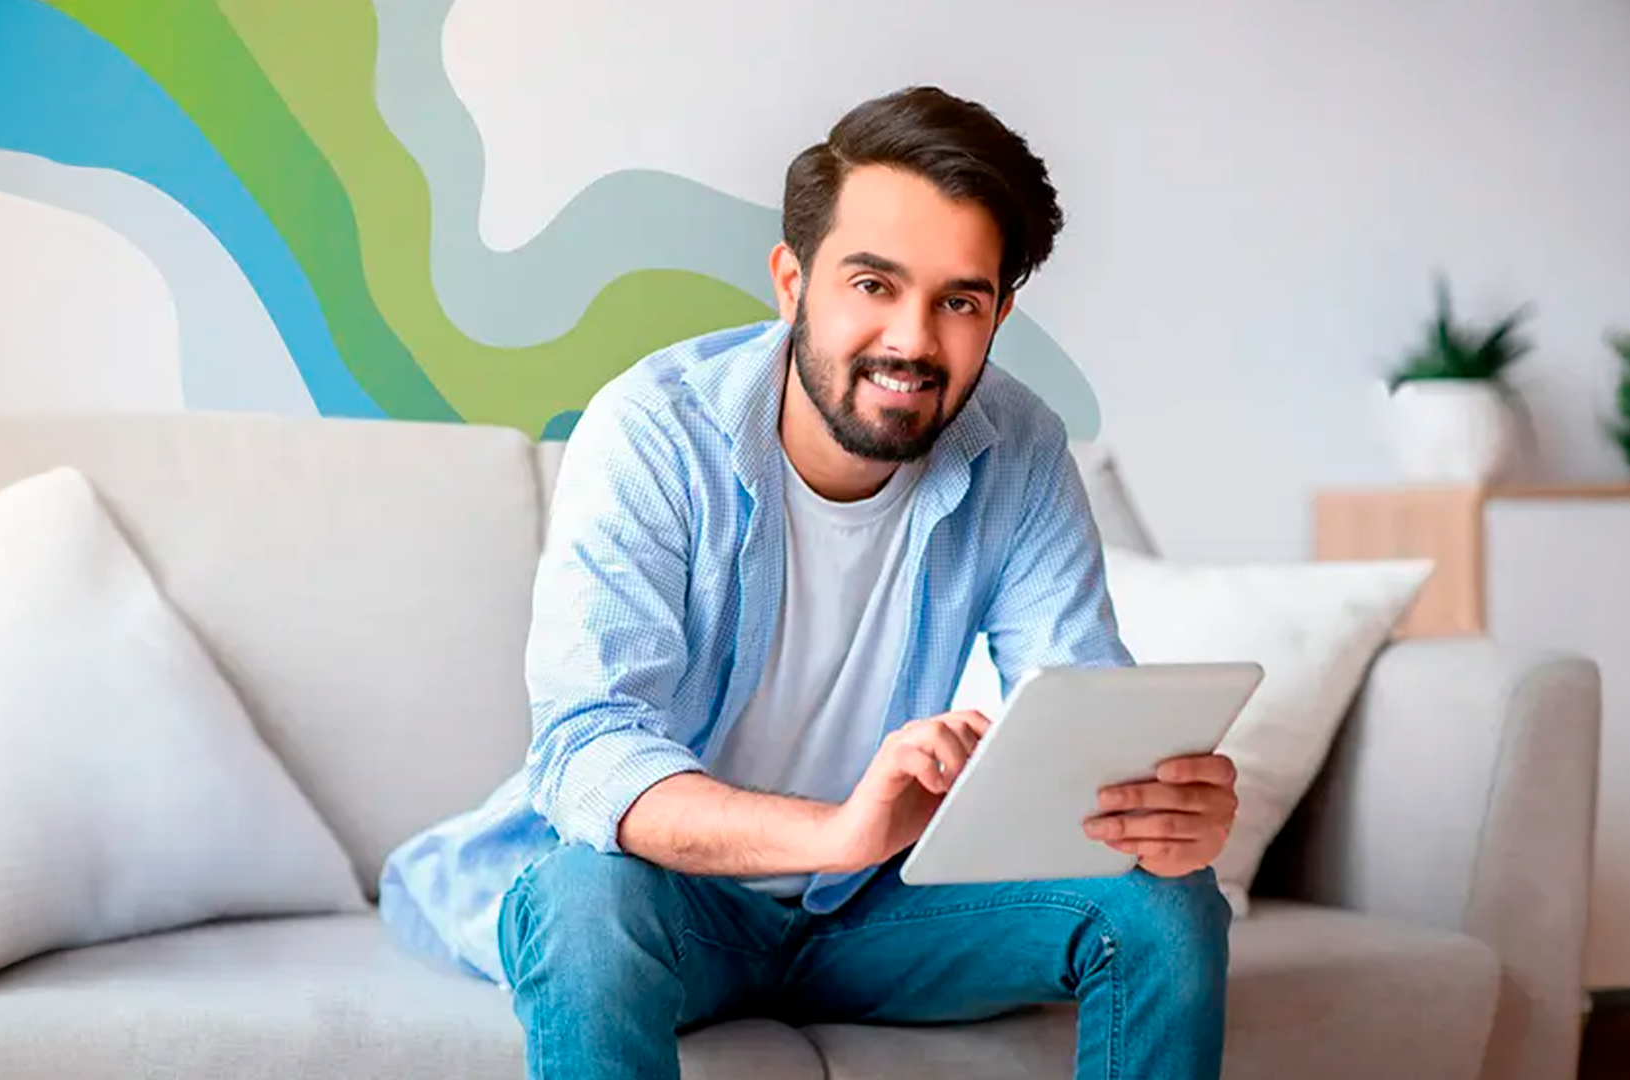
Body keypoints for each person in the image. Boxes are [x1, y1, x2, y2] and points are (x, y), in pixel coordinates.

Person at [378, 84, 1240, 1080]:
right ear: (792, 282)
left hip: (884, 910)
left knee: (1168, 907)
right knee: (581, 902)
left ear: (999, 312)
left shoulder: (1021, 448)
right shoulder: (654, 432)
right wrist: (837, 831)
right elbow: (587, 753)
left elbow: (1081, 712)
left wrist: (1154, 814)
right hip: (678, 902)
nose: (913, 341)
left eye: (958, 300)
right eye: (873, 284)